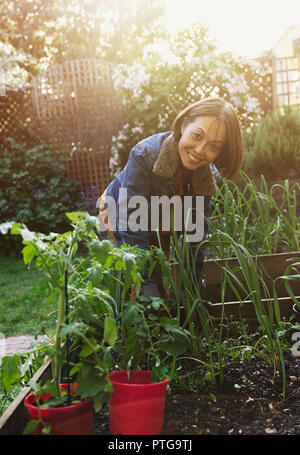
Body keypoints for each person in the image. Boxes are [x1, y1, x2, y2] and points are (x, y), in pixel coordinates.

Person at [98, 97, 243, 298]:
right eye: (197, 135)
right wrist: (144, 279)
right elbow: (131, 220)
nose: (200, 150)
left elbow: (196, 234)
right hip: (118, 209)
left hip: (161, 217)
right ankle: (123, 309)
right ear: (184, 125)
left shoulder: (208, 177)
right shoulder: (145, 154)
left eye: (214, 147)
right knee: (137, 283)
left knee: (161, 281)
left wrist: (191, 286)